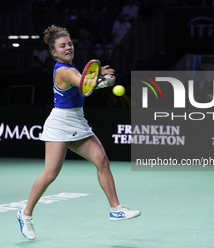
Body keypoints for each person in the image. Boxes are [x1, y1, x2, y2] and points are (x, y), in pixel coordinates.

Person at [17, 25, 141, 240]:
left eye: (70, 44)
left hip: (77, 120)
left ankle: (116, 208)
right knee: (50, 174)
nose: (68, 48)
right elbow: (84, 83)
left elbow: (86, 88)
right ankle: (25, 214)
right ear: (54, 52)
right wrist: (100, 75)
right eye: (62, 46)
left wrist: (103, 83)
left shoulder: (73, 70)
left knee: (102, 161)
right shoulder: (64, 71)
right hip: (60, 124)